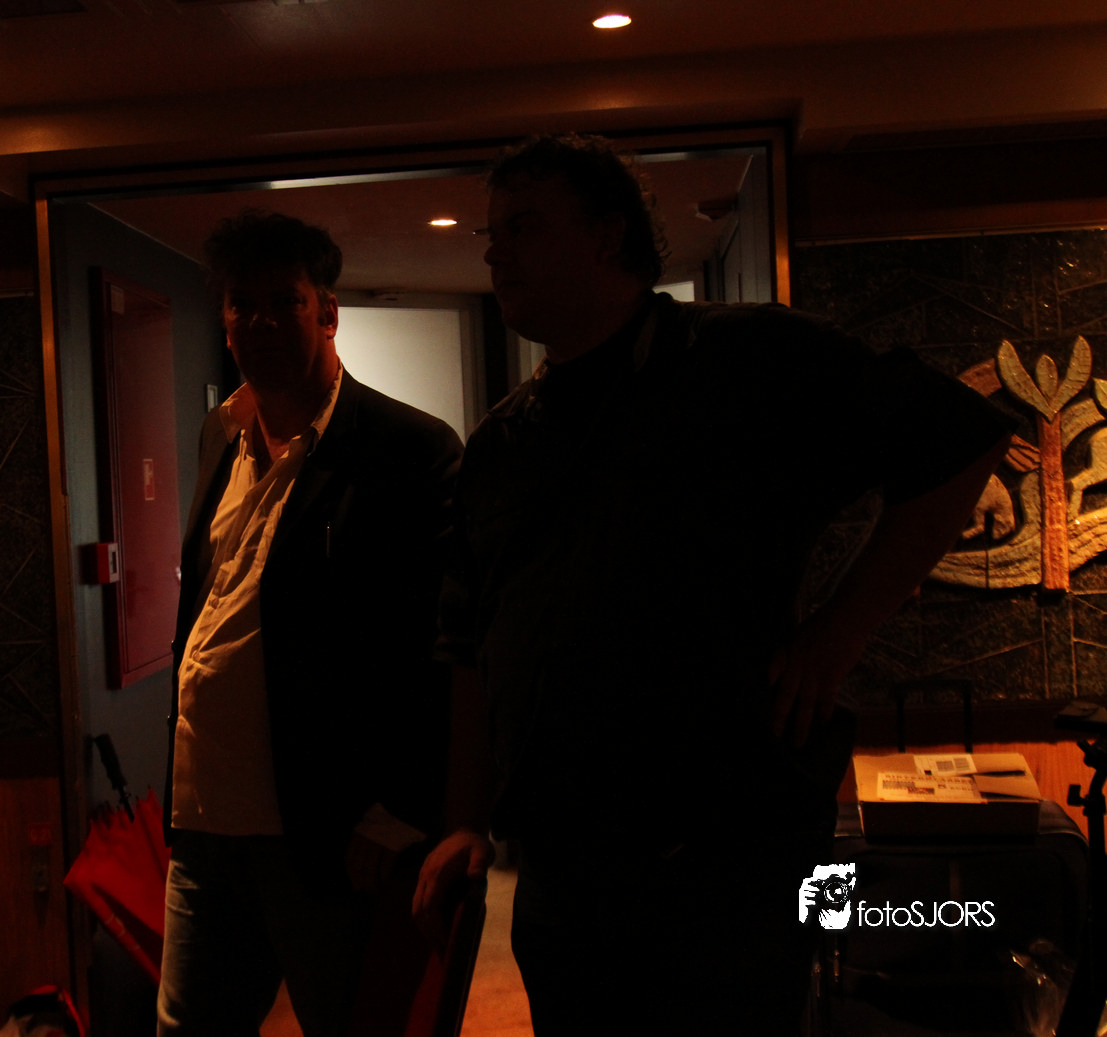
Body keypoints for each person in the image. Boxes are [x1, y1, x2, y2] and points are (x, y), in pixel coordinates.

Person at [413, 134, 1012, 1036]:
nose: (495, 253)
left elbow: (960, 439)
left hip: (723, 865)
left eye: (523, 227)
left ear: (608, 235)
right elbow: (467, 643)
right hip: (564, 877)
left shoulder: (749, 361)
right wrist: (462, 820)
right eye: (490, 233)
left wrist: (839, 631)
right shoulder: (502, 442)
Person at [160, 210, 462, 1036]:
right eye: (241, 303)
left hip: (327, 830)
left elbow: (441, 646)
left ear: (326, 311)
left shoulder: (407, 449)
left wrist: (399, 809)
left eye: (282, 301)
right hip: (204, 821)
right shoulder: (221, 435)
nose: (259, 322)